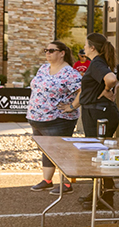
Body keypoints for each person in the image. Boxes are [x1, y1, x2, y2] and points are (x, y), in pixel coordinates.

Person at [61, 33, 119, 207]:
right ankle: (98, 193)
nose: (84, 48)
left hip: (99, 114)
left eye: (86, 45)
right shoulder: (98, 63)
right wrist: (72, 106)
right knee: (98, 154)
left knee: (100, 154)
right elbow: (87, 91)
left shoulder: (97, 63)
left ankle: (106, 197)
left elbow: (111, 79)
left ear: (92, 47)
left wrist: (109, 89)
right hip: (95, 112)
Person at [27, 41, 82, 195]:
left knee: (61, 151)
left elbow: (82, 91)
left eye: (51, 50)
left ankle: (67, 183)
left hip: (58, 119)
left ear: (62, 53)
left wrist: (71, 107)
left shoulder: (69, 73)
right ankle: (47, 180)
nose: (47, 53)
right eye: (46, 50)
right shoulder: (44, 68)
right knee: (47, 150)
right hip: (37, 118)